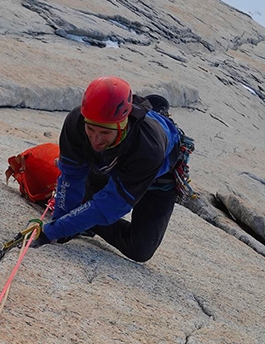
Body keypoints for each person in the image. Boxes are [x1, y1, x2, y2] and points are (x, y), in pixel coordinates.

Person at [31, 76, 181, 262]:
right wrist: (58, 226)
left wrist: (56, 230)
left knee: (140, 249)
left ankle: (157, 112)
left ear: (122, 125)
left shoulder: (149, 147)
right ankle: (82, 218)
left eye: (105, 132)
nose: (96, 139)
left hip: (158, 178)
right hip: (108, 164)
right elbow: (71, 176)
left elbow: (110, 205)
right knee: (78, 214)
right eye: (91, 129)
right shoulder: (76, 122)